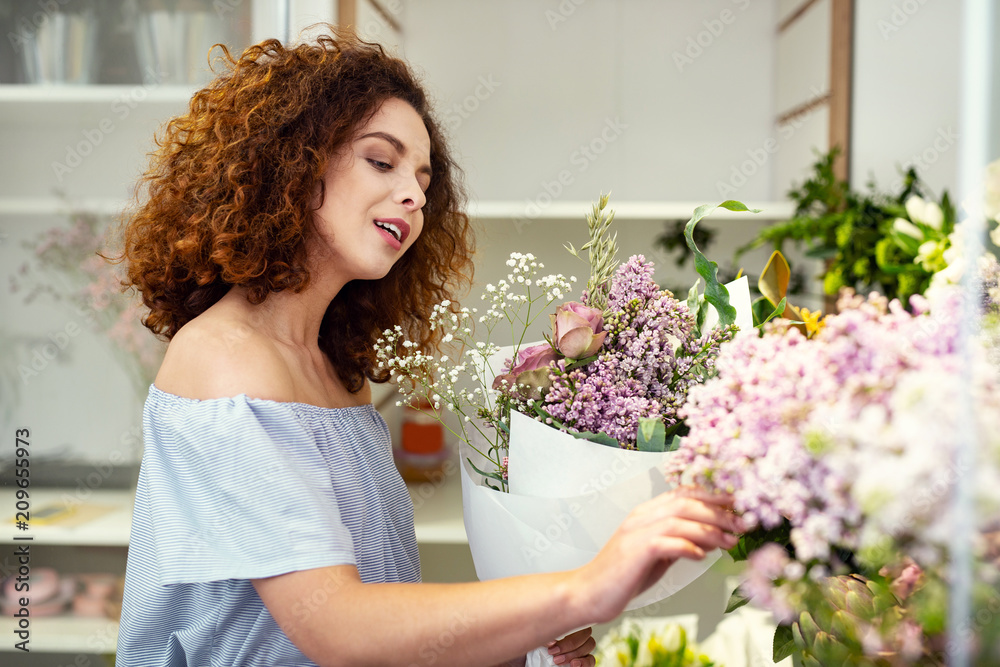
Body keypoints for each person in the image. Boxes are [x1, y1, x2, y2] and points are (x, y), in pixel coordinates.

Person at [108, 27, 742, 667]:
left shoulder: (337, 373)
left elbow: (380, 615)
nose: (413, 194)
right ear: (292, 162)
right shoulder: (225, 357)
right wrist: (582, 589)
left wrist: (522, 644)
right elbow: (336, 629)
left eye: (422, 177)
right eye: (381, 161)